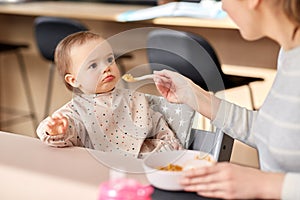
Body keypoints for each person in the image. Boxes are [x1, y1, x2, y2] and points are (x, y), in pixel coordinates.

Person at [153, 0, 300, 199]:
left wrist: (266, 184)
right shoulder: (289, 53)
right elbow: (273, 132)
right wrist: (193, 95)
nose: (223, 7)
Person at [36, 31, 182, 159]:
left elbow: (158, 126)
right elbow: (61, 131)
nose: (106, 68)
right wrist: (55, 131)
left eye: (109, 59)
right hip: (101, 168)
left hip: (147, 162)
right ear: (74, 80)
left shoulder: (134, 99)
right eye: (93, 65)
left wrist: (170, 148)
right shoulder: (76, 111)